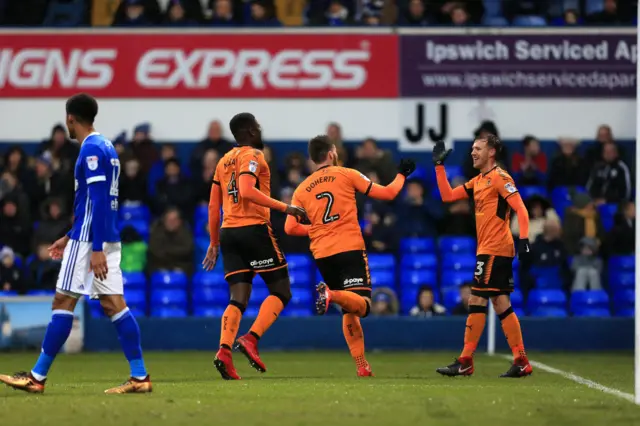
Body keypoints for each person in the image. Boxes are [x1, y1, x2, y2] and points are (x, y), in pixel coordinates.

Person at [0, 94, 150, 394]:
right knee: (114, 304)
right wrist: (70, 234)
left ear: (71, 118)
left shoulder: (91, 149)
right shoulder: (107, 146)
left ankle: (37, 377)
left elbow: (96, 200)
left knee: (63, 301)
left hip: (90, 242)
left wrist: (92, 248)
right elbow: (100, 204)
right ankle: (139, 377)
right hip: (104, 236)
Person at [283, 135, 415, 376]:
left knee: (349, 308)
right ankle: (330, 294)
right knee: (363, 305)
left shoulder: (301, 189)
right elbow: (388, 194)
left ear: (312, 159)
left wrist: (315, 229)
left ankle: (362, 366)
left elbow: (289, 228)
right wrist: (402, 175)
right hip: (350, 247)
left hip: (322, 253)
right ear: (332, 153)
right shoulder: (346, 173)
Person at [202, 112, 308, 381]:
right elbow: (247, 190)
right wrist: (288, 208)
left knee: (238, 297)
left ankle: (224, 350)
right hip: (254, 230)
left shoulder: (222, 161)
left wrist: (214, 242)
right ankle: (251, 338)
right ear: (249, 131)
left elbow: (214, 207)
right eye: (257, 127)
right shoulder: (254, 156)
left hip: (229, 233)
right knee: (281, 290)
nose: (260, 130)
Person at [432, 136, 533, 378]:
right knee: (500, 303)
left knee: (477, 300)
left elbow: (521, 208)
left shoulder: (500, 177)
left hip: (495, 248)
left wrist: (524, 241)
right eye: (472, 149)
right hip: (488, 249)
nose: (473, 152)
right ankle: (521, 360)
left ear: (492, 152)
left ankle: (466, 360)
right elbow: (447, 196)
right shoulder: (478, 181)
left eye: (478, 148)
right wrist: (438, 166)